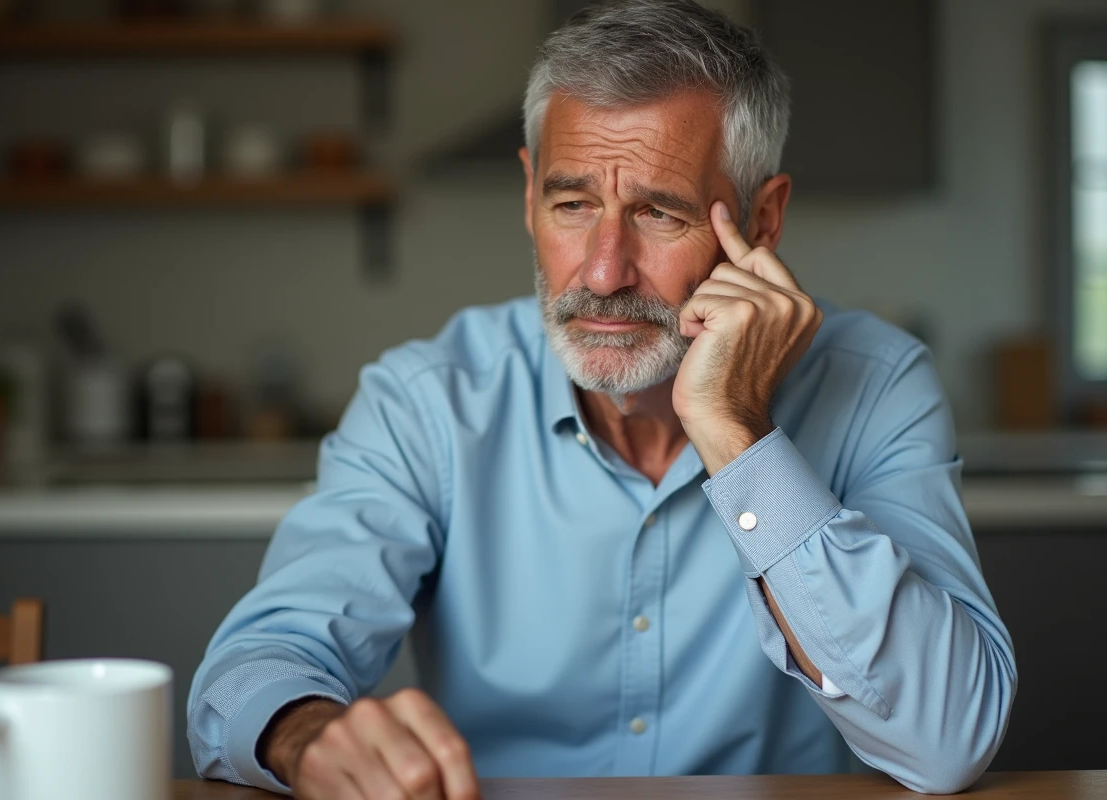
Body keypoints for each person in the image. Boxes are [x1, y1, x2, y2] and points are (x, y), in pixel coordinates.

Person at [189, 1, 1017, 797]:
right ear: (529, 197)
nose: (603, 271)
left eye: (657, 212)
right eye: (573, 203)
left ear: (763, 220)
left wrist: (738, 436)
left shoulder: (875, 385)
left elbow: (948, 739)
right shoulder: (428, 402)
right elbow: (247, 676)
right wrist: (308, 737)